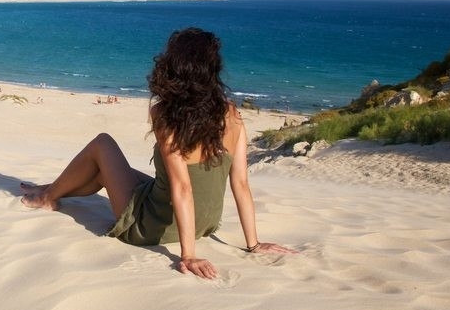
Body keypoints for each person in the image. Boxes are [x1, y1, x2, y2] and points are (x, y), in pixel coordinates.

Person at [21, 27, 294, 279]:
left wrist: (189, 256)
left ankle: (47, 197)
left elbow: (183, 186)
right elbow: (241, 184)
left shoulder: (165, 114)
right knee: (118, 173)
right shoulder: (231, 113)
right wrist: (254, 243)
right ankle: (53, 188)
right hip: (204, 223)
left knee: (102, 144)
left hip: (153, 226)